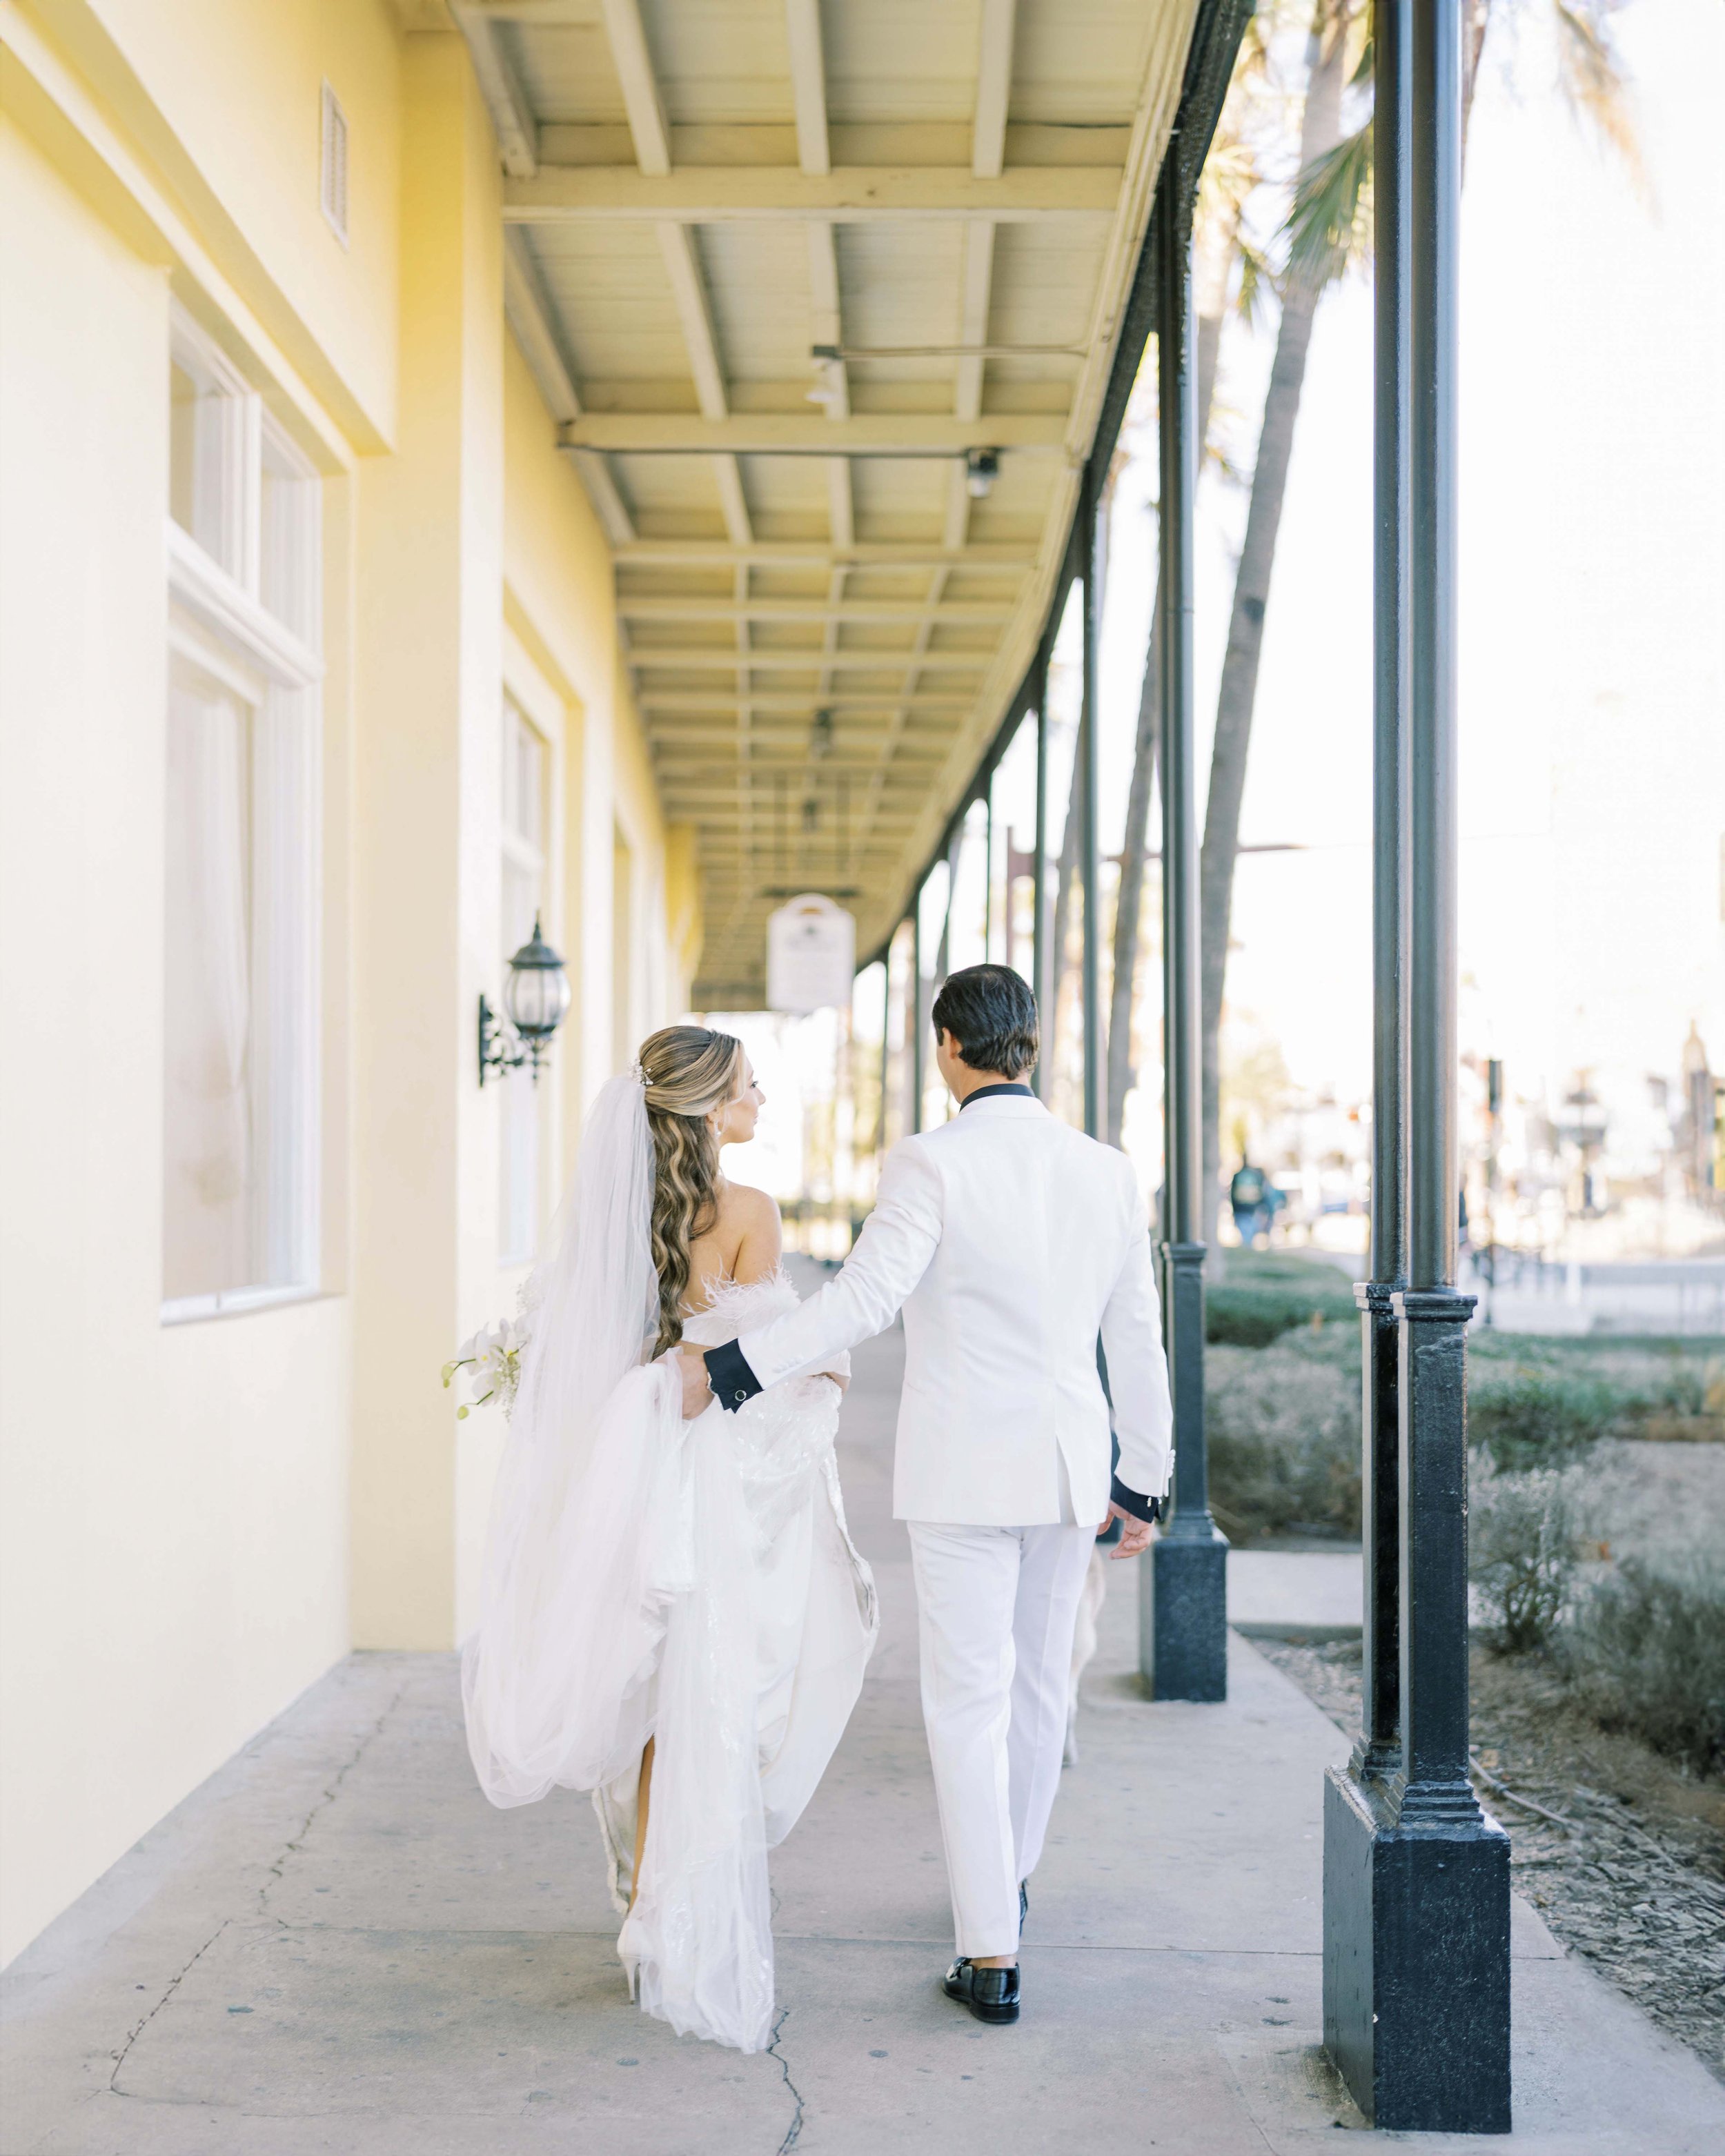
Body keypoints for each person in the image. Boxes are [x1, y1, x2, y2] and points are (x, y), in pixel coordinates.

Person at [678, 965, 1172, 2028]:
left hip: (963, 1470)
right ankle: (1008, 1881)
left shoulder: (931, 1162)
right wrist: (1147, 1475)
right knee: (1043, 1688)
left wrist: (732, 1369)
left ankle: (991, 1949)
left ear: (950, 1046)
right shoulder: (1105, 1170)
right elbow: (1136, 1330)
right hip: (1071, 1468)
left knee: (967, 1700)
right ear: (1029, 1045)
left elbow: (866, 1295)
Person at [462, 1027, 876, 2055]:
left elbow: (605, 1365)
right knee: (713, 1696)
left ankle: (644, 1898)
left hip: (633, 1482)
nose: (762, 1098)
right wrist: (826, 1371)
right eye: (747, 1087)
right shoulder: (749, 1214)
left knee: (655, 1697)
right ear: (706, 1108)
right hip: (714, 1488)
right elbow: (762, 1371)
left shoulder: (618, 1217)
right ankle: (667, 1916)